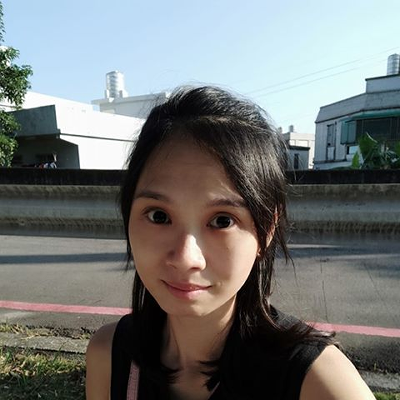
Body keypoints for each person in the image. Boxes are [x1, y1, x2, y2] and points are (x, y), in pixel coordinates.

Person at [86, 86, 375, 400]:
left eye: (222, 220)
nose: (185, 258)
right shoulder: (110, 356)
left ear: (266, 231)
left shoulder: (318, 381)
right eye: (159, 216)